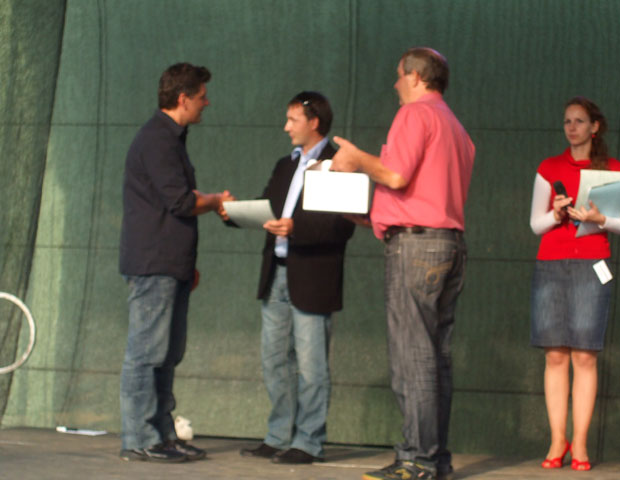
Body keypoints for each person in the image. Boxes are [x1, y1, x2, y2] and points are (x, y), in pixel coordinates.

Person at [331, 47, 475, 480]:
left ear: (415, 75)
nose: (395, 84)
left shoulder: (415, 114)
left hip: (416, 248)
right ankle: (434, 458)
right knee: (435, 357)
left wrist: (356, 160)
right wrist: (372, 214)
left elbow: (396, 175)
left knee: (413, 356)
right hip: (448, 243)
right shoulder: (456, 128)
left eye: (398, 75)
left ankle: (418, 460)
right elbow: (425, 191)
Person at [119, 62, 233, 462]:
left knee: (166, 354)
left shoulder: (170, 140)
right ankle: (140, 438)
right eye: (202, 96)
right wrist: (216, 201)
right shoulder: (157, 140)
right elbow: (181, 202)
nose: (206, 102)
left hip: (170, 263)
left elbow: (175, 201)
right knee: (146, 353)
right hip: (154, 264)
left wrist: (185, 263)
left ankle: (163, 434)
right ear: (183, 99)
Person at [238, 91, 355, 464]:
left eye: (293, 120)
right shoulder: (285, 165)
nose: (286, 127)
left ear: (314, 121)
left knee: (311, 365)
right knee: (275, 360)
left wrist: (295, 229)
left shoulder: (338, 162)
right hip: (276, 273)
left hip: (313, 276)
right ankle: (279, 436)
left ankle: (308, 442)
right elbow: (269, 207)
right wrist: (234, 213)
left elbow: (342, 225)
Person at [529, 97, 620, 471]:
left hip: (592, 264)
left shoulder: (613, 170)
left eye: (579, 121)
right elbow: (536, 224)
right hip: (551, 264)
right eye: (567, 121)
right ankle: (558, 439)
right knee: (555, 354)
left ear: (595, 127)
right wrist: (556, 214)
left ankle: (582, 443)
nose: (571, 128)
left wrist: (600, 218)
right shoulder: (549, 167)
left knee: (584, 355)